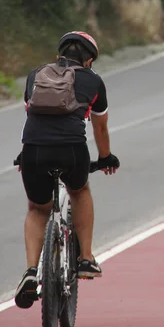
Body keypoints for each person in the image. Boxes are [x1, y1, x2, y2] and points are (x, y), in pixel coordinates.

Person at [14, 31, 120, 309]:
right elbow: (100, 126)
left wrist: (24, 155)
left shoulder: (35, 75)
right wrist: (106, 157)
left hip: (34, 150)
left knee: (38, 208)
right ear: (89, 61)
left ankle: (30, 272)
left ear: (58, 55)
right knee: (80, 190)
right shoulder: (93, 81)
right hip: (71, 149)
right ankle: (85, 258)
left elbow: (31, 116)